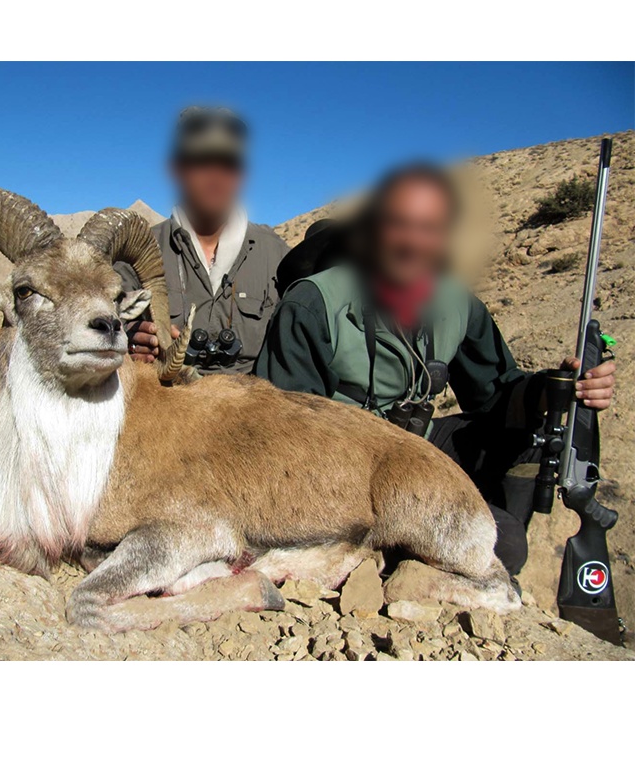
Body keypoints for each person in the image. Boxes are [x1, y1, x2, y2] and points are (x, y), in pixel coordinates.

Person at [254, 163, 616, 576]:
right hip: (341, 469)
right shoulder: (312, 305)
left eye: (429, 228)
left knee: (531, 432)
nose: (413, 242)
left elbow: (496, 395)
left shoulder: (457, 304)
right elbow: (281, 439)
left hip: (416, 449)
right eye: (398, 225)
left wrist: (551, 391)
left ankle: (478, 546)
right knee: (501, 544)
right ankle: (390, 558)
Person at [120, 106, 288, 375]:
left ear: (242, 175)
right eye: (201, 162)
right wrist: (127, 340)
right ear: (177, 169)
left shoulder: (276, 253)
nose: (216, 177)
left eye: (228, 164)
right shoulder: (137, 253)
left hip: (252, 409)